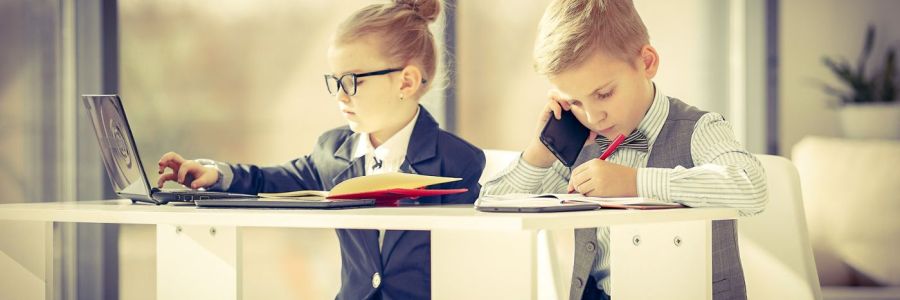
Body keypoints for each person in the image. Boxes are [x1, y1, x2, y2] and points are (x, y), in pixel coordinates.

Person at [157, 0, 485, 298]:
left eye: (353, 81)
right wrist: (214, 174)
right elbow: (269, 182)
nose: (340, 96)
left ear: (406, 82)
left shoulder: (458, 162)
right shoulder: (332, 151)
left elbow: (471, 262)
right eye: (335, 81)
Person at [481, 0, 767, 299]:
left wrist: (635, 182)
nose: (593, 117)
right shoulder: (580, 144)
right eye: (575, 102)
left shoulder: (700, 128)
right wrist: (539, 153)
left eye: (603, 94)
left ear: (647, 63)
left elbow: (752, 187)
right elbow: (490, 209)